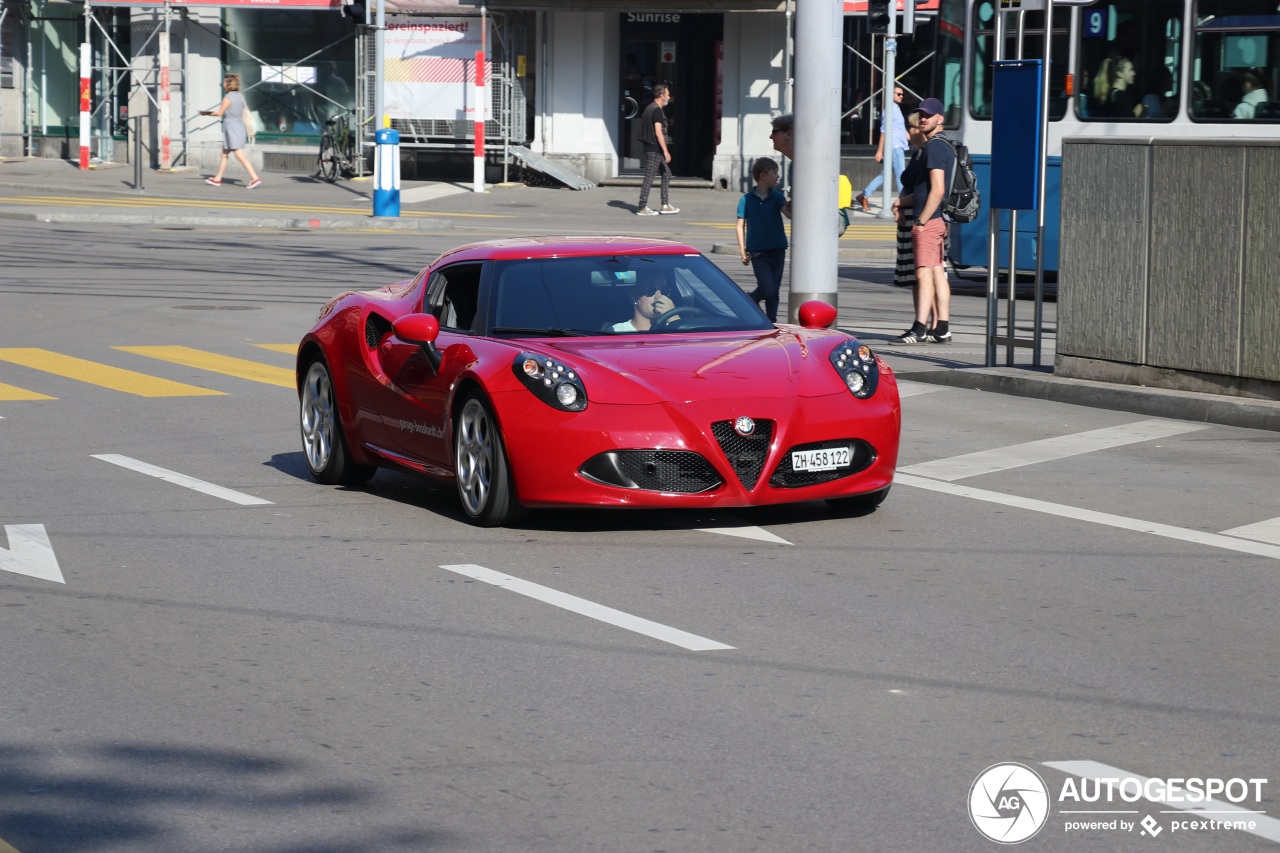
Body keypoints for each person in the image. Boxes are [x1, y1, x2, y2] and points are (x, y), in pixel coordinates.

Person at [889, 97, 953, 345]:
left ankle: (919, 328)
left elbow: (936, 190)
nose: (923, 118)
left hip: (929, 220)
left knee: (923, 273)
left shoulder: (934, 148)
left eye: (928, 115)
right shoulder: (945, 145)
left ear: (940, 118)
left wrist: (922, 221)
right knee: (937, 271)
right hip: (939, 219)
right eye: (921, 115)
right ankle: (942, 327)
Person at [735, 157, 791, 322]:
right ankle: (750, 299)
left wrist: (794, 204)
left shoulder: (777, 197)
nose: (778, 176)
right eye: (775, 172)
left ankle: (771, 321)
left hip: (778, 248)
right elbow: (740, 225)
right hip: (758, 251)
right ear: (763, 176)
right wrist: (742, 250)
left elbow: (789, 215)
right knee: (767, 288)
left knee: (774, 291)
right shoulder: (746, 200)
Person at [200, 73, 261, 189]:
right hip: (237, 126)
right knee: (224, 154)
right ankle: (217, 179)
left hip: (232, 127)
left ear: (228, 84)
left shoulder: (228, 97)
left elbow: (219, 113)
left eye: (224, 82)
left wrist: (206, 113)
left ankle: (255, 178)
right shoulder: (239, 96)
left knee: (240, 156)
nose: (222, 84)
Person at [855, 85, 908, 212]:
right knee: (901, 175)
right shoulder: (889, 110)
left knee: (885, 175)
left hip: (898, 145)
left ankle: (864, 195)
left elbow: (899, 129)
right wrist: (879, 151)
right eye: (898, 94)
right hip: (894, 147)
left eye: (902, 94)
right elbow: (883, 131)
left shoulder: (896, 109)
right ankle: (903, 203)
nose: (901, 96)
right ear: (891, 94)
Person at [635, 85, 679, 216]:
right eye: (667, 94)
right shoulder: (656, 110)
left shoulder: (649, 108)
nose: (669, 97)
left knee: (666, 174)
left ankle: (665, 205)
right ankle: (642, 207)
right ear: (661, 95)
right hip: (655, 149)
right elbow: (658, 132)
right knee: (649, 178)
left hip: (653, 148)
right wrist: (666, 151)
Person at [610, 272, 680, 332]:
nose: (659, 295)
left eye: (664, 290)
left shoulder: (674, 326)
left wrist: (674, 319)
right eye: (650, 290)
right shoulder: (617, 331)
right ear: (633, 297)